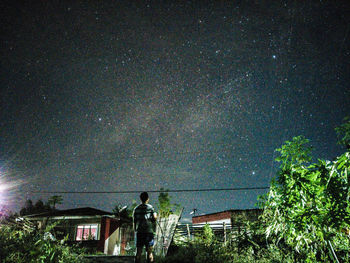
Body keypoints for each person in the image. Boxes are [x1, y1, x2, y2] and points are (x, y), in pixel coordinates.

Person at [133, 192, 157, 263]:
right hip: (148, 232)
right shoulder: (150, 208)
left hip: (140, 232)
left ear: (140, 199)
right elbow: (154, 219)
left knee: (138, 252)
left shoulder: (136, 209)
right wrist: (155, 216)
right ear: (148, 199)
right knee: (149, 252)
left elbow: (134, 221)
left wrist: (135, 230)